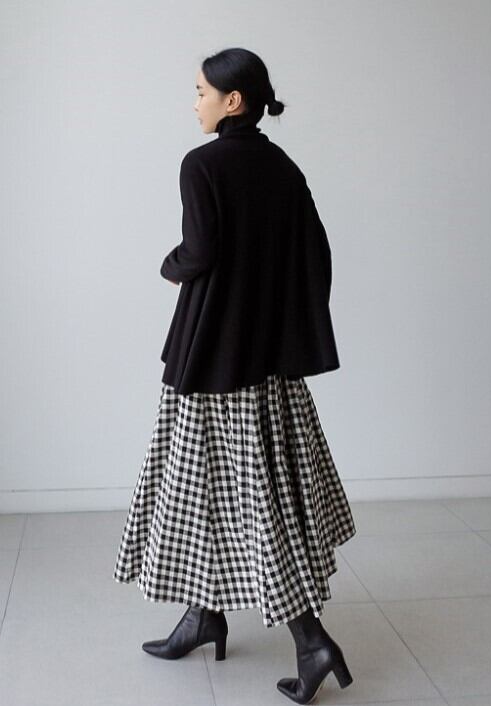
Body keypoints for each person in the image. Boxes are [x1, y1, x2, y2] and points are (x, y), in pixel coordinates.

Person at [112, 47, 356, 704]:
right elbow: (316, 255)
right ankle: (205, 616)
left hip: (212, 358)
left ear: (233, 101)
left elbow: (200, 251)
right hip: (266, 363)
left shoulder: (202, 164)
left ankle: (312, 642)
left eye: (200, 91)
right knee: (227, 488)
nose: (194, 102)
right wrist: (280, 320)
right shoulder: (284, 167)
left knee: (243, 496)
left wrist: (170, 266)